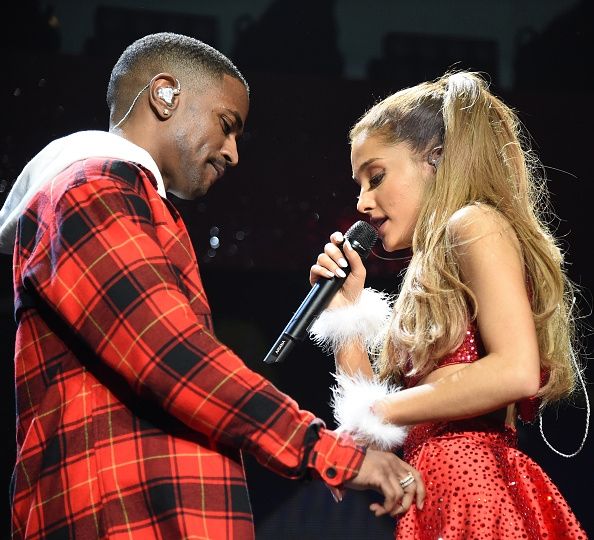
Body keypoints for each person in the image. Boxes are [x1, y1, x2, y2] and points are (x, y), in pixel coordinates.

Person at [1, 32, 426, 539]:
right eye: (226, 126)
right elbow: (167, 353)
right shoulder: (94, 188)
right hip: (124, 517)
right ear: (164, 95)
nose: (233, 153)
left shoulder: (129, 199)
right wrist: (326, 451)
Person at [308, 70, 588, 538]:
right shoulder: (427, 267)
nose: (361, 201)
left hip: (475, 488)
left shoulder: (473, 223)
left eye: (376, 177)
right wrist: (345, 315)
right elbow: (382, 432)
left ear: (434, 160)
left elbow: (516, 369)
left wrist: (382, 413)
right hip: (437, 491)